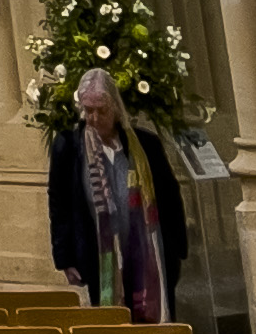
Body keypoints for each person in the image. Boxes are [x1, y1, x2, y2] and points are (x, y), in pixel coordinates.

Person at [47, 66, 187, 320]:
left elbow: (169, 196)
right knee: (112, 325)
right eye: (88, 111)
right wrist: (65, 258)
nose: (94, 118)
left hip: (149, 255)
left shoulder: (146, 145)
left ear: (116, 109)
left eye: (102, 111)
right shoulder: (68, 146)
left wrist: (177, 249)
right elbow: (60, 205)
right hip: (100, 256)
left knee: (154, 329)